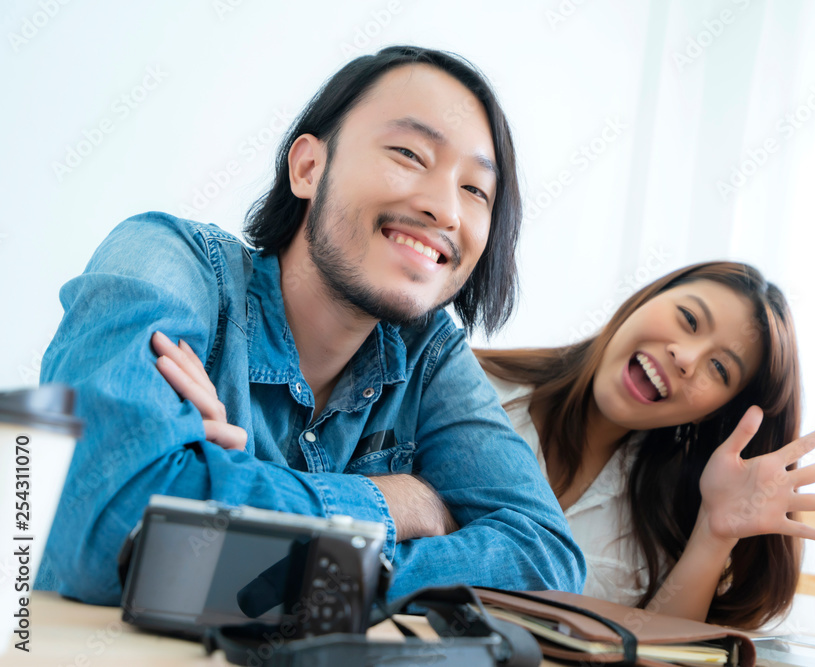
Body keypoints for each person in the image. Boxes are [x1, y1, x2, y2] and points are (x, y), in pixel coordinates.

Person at [36, 45, 585, 605]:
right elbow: (106, 536)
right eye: (410, 154)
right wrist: (397, 503)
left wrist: (227, 498)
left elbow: (543, 560)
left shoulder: (431, 355)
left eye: (475, 190)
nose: (446, 210)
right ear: (308, 168)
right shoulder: (164, 261)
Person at [475, 261, 815, 629]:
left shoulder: (667, 512)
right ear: (645, 299)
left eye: (719, 369)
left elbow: (661, 650)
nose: (686, 358)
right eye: (688, 319)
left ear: (712, 412)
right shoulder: (466, 388)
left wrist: (714, 533)